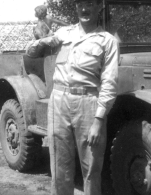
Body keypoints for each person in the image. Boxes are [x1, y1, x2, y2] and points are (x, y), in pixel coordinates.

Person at [27, 0, 119, 194]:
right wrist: (44, 41)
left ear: (99, 7)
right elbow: (30, 52)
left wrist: (98, 120)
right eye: (80, 5)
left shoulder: (107, 40)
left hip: (88, 105)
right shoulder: (63, 34)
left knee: (92, 168)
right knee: (59, 167)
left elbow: (109, 84)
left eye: (90, 4)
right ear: (76, 7)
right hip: (59, 103)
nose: (85, 9)